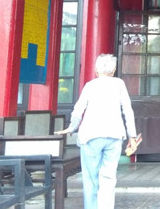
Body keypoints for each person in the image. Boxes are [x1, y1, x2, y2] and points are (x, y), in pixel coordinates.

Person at [55, 53, 140, 209]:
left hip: (91, 136)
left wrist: (72, 127)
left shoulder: (90, 86)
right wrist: (132, 136)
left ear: (96, 70)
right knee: (109, 177)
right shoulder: (119, 84)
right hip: (114, 135)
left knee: (90, 178)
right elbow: (128, 110)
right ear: (113, 70)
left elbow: (78, 110)